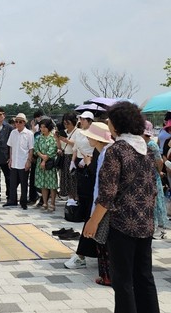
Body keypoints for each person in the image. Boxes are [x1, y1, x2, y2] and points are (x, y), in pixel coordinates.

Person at [84, 101, 160, 313]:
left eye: (109, 121)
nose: (108, 124)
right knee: (145, 277)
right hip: (145, 223)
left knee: (123, 280)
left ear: (117, 123)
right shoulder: (148, 151)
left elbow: (107, 194)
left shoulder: (116, 150)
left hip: (122, 225)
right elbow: (151, 189)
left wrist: (92, 222)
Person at [65, 122, 113, 289]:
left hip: (103, 203)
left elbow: (104, 184)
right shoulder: (100, 152)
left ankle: (106, 274)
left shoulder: (107, 153)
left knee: (100, 235)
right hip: (95, 198)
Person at [143, 120, 169, 239]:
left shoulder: (151, 145)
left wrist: (159, 171)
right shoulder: (144, 143)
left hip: (153, 175)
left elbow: (159, 161)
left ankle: (159, 228)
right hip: (146, 175)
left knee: (156, 201)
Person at [4, 113, 34, 209]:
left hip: (23, 161)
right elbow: (11, 147)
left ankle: (23, 201)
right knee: (12, 183)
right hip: (14, 161)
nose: (18, 123)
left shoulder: (29, 134)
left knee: (24, 183)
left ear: (24, 122)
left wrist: (29, 161)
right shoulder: (13, 132)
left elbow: (31, 149)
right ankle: (12, 200)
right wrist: (10, 159)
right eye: (16, 122)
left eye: (20, 122)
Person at [71, 111, 96, 220]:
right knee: (80, 187)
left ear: (90, 121)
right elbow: (76, 147)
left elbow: (95, 148)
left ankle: (88, 213)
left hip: (89, 160)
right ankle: (81, 210)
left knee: (88, 188)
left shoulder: (94, 132)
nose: (81, 121)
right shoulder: (78, 132)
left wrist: (87, 158)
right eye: (80, 119)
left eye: (83, 119)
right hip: (79, 160)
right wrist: (73, 161)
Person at [34, 118, 58, 212]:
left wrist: (45, 159)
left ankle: (52, 203)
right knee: (43, 184)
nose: (42, 129)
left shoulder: (52, 138)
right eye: (41, 127)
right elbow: (36, 148)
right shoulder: (39, 137)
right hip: (40, 162)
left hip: (49, 163)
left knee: (52, 184)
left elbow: (53, 149)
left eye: (44, 127)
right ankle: (45, 202)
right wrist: (41, 156)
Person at [57, 113, 78, 201]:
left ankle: (74, 197)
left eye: (68, 123)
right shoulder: (64, 132)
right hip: (64, 156)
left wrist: (66, 140)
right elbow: (60, 146)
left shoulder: (78, 132)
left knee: (73, 179)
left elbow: (77, 144)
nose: (66, 125)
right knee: (65, 178)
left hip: (73, 157)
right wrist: (57, 139)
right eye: (64, 123)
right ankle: (68, 197)